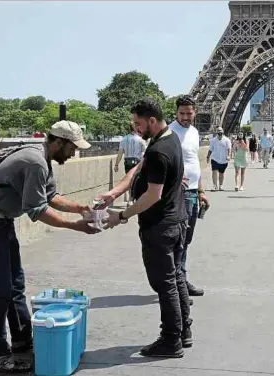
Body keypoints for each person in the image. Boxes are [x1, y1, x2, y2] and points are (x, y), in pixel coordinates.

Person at [0, 120, 98, 373]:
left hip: (0, 223)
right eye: (72, 147)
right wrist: (76, 226)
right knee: (0, 290)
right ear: (58, 142)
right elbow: (37, 210)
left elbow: (51, 196)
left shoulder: (42, 158)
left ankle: (22, 342)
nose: (74, 153)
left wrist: (81, 208)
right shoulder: (35, 162)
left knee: (15, 285)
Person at [95, 98, 192, 358]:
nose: (136, 129)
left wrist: (122, 216)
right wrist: (114, 193)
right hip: (177, 220)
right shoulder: (168, 139)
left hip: (160, 226)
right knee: (176, 278)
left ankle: (171, 339)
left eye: (138, 123)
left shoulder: (159, 150)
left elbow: (152, 195)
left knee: (165, 284)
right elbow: (139, 170)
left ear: (151, 120)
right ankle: (184, 332)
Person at [169, 95, 209, 298]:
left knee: (186, 240)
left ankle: (181, 279)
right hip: (178, 194)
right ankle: (177, 285)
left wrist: (201, 190)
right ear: (176, 113)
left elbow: (195, 164)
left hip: (193, 193)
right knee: (178, 239)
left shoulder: (194, 132)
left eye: (189, 113)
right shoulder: (169, 132)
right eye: (182, 113)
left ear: (195, 112)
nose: (185, 117)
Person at [114, 123, 146, 203]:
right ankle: (132, 199)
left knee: (129, 181)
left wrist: (116, 164)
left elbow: (120, 153)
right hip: (137, 162)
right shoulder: (141, 139)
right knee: (136, 181)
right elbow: (144, 153)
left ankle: (130, 199)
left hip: (127, 162)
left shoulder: (124, 139)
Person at [206, 127, 232, 191]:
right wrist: (208, 157)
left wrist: (228, 155)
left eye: (220, 130)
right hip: (215, 158)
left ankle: (220, 185)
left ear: (223, 131)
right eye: (218, 131)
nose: (219, 132)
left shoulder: (227, 140)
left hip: (223, 160)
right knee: (214, 171)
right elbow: (210, 149)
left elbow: (229, 149)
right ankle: (214, 186)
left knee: (221, 173)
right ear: (216, 132)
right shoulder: (213, 140)